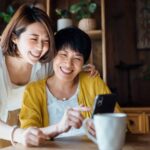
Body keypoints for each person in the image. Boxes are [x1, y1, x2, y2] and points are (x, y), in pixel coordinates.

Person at [0, 3, 99, 147]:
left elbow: (64, 67)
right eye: (33, 39)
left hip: (31, 136)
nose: (40, 47)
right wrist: (17, 134)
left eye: (46, 40)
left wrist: (82, 69)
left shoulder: (45, 63)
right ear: (15, 38)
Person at [19, 27, 122, 139]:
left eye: (77, 58)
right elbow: (28, 134)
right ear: (53, 54)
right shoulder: (33, 90)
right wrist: (59, 127)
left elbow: (118, 119)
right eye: (63, 54)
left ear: (84, 62)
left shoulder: (92, 81)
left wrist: (104, 128)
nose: (68, 64)